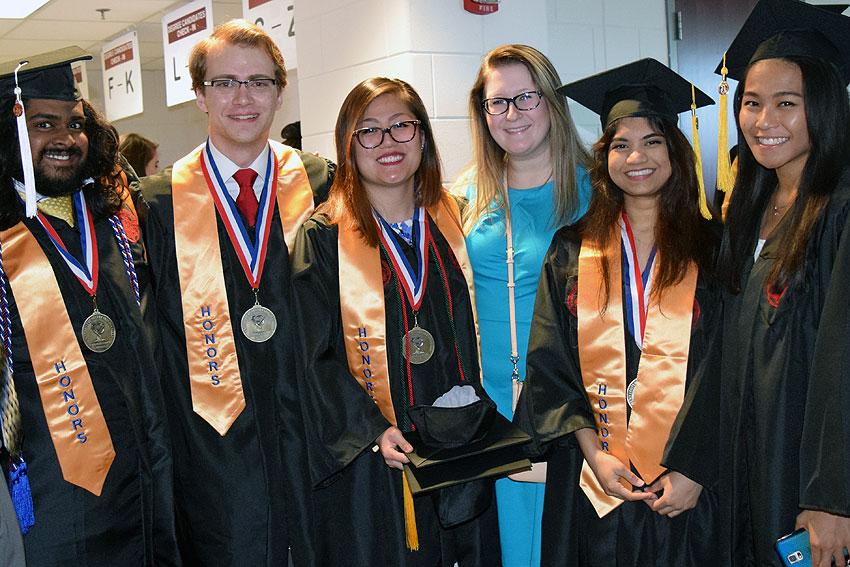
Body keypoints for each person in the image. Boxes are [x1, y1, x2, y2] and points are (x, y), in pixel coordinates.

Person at [513, 59, 722, 566]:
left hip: (689, 486)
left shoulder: (716, 249)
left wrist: (695, 470)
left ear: (676, 149)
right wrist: (595, 455)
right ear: (604, 157)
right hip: (594, 484)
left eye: (652, 141)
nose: (637, 157)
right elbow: (550, 366)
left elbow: (729, 370)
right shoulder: (571, 251)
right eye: (621, 144)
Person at [140, 20, 332, 566]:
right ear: (199, 95)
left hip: (314, 427)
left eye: (259, 82)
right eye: (225, 83)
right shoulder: (156, 202)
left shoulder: (322, 184)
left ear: (279, 89)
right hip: (213, 443)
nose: (243, 98)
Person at [290, 76, 501, 566]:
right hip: (377, 455)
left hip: (459, 443)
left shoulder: (455, 219)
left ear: (422, 136)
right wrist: (370, 430)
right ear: (349, 145)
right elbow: (311, 355)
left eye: (401, 127)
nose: (387, 143)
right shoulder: (323, 238)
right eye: (369, 131)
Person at [0, 47, 178, 565]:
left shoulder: (116, 220)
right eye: (43, 124)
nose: (64, 138)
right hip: (55, 486)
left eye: (75, 124)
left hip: (145, 473)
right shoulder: (4, 236)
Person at [711, 1, 850, 564]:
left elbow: (843, 361)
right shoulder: (748, 209)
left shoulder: (840, 210)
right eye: (752, 102)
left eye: (786, 104)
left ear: (823, 106)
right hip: (746, 464)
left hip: (807, 478)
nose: (764, 121)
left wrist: (833, 497)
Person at [451, 43, 592, 567]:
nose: (512, 114)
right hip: (488, 417)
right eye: (498, 102)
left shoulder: (594, 193)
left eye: (527, 97)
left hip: (566, 411)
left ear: (553, 101)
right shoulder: (463, 199)